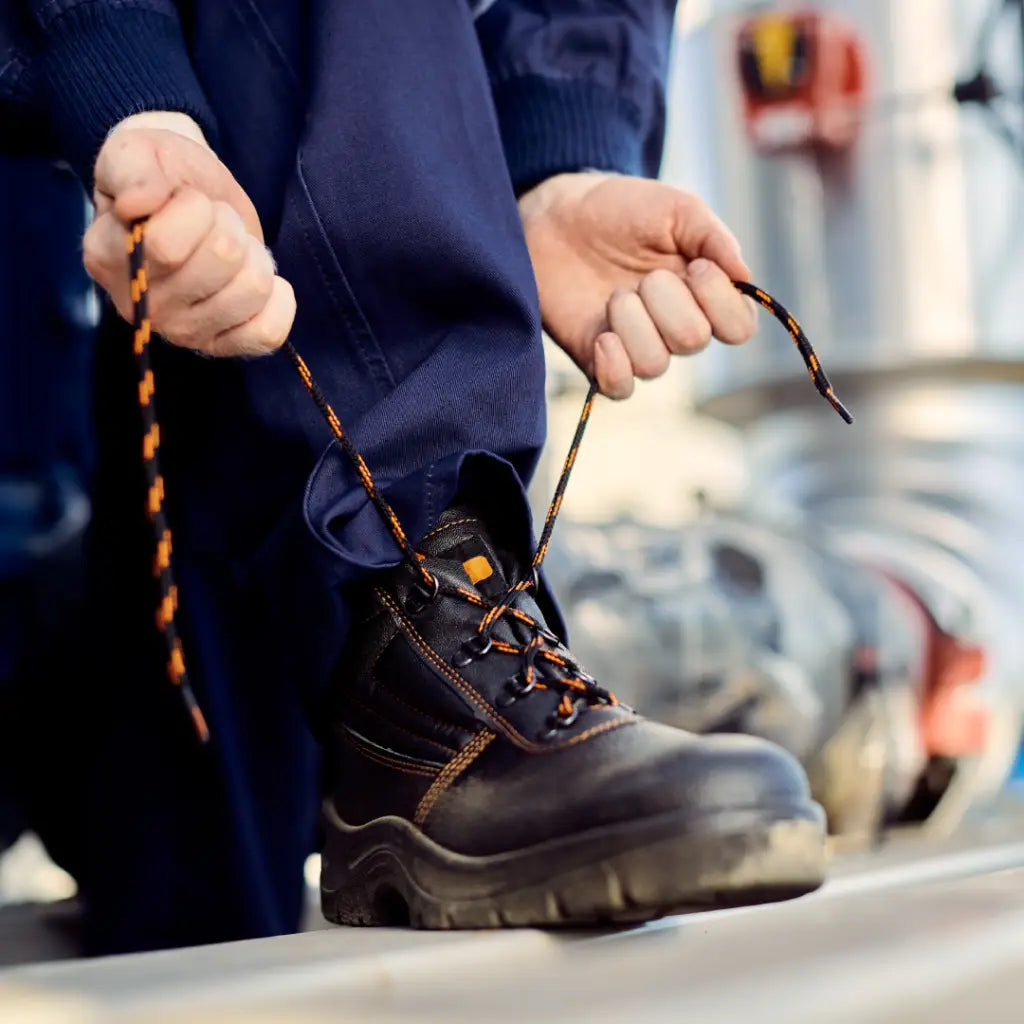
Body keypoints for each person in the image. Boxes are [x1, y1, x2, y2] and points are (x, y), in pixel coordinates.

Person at [1, 0, 826, 953]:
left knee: (202, 931)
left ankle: (416, 649)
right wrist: (125, 82)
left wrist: (560, 143)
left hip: (121, 582)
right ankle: (418, 606)